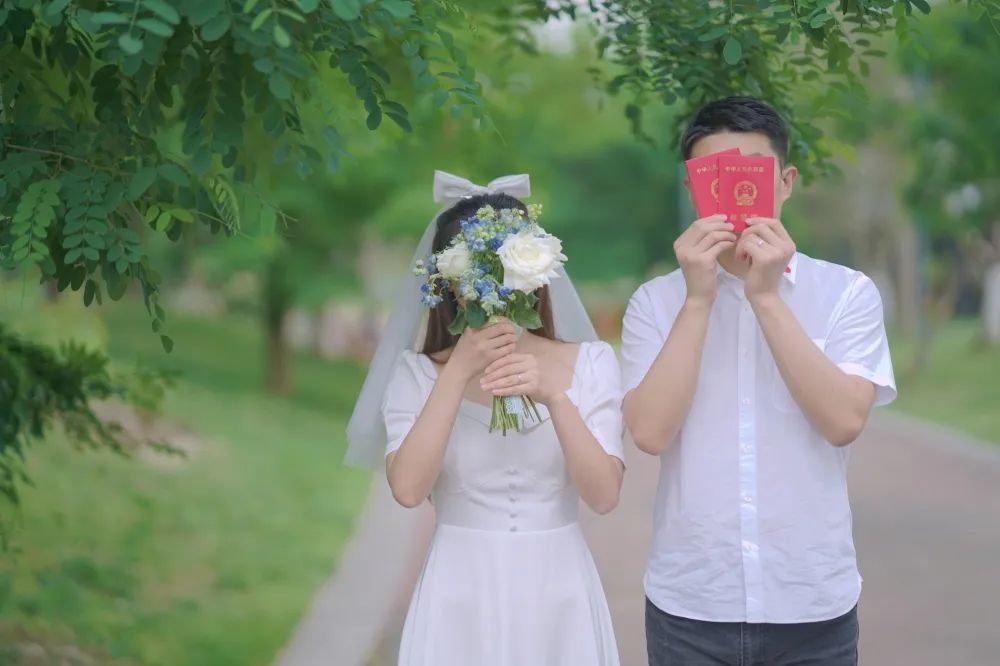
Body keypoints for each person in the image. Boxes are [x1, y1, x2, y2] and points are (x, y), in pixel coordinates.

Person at [621, 97, 897, 666]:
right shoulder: (655, 302)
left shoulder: (846, 292)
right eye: (712, 175)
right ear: (693, 187)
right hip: (691, 603)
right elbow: (649, 432)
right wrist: (698, 300)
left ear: (785, 182)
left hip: (811, 602)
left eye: (749, 170)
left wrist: (765, 296)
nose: (731, 190)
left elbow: (844, 421)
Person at [346, 172, 624, 666]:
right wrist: (456, 373)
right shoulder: (417, 374)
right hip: (459, 590)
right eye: (473, 271)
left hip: (558, 586)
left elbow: (604, 495)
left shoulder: (591, 362)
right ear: (447, 282)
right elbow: (407, 489)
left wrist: (555, 397)